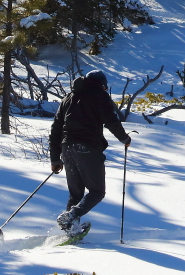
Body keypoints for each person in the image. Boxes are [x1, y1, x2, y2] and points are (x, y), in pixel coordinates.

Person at [49, 69, 131, 233]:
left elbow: (56, 128)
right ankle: (72, 216)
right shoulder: (99, 95)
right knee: (97, 191)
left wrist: (55, 159)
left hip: (67, 148)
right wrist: (125, 139)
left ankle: (71, 228)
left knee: (76, 194)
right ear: (101, 85)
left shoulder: (68, 98)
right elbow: (111, 120)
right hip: (87, 147)